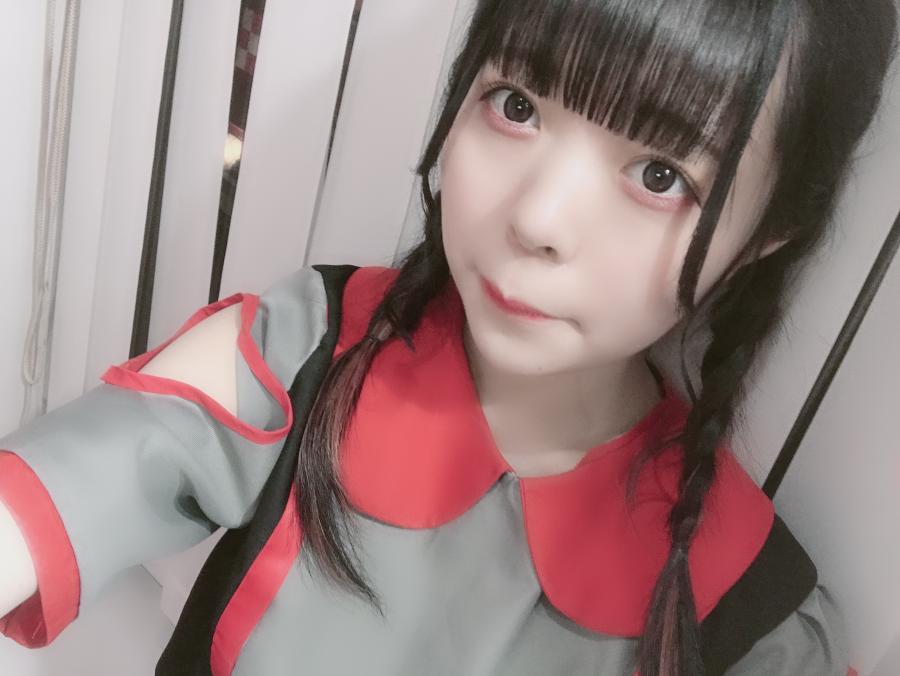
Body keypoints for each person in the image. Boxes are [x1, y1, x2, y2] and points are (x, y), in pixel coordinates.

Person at [1, 0, 897, 674]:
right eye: (516, 105)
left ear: (770, 231)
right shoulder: (309, 346)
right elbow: (92, 471)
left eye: (660, 175)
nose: (538, 218)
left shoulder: (754, 612)